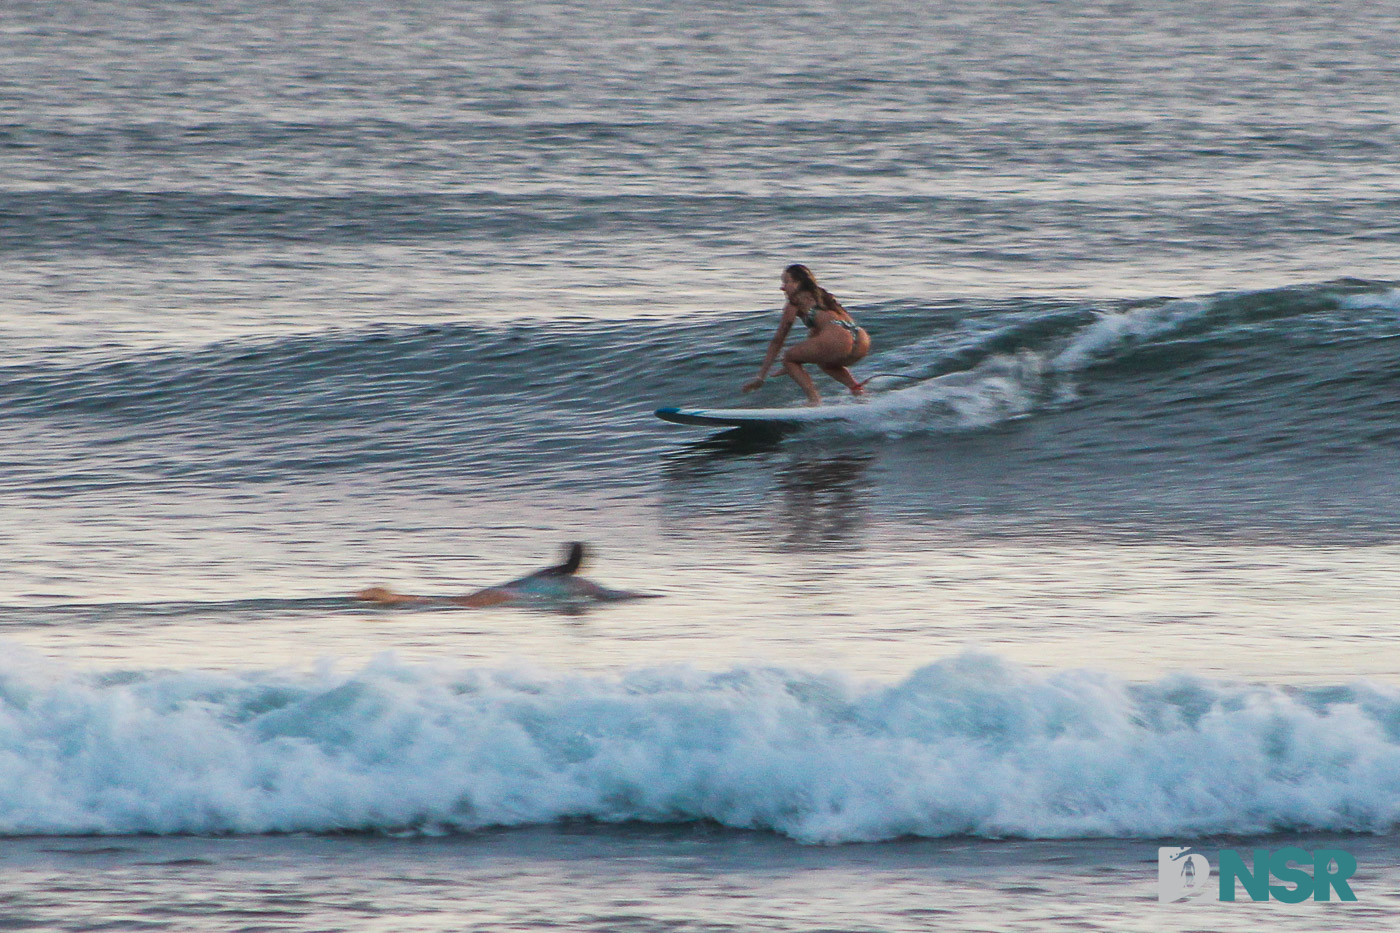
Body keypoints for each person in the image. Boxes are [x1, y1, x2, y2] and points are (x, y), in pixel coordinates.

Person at [742, 264, 870, 405]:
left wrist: (761, 376)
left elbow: (778, 340)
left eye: (786, 282)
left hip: (838, 338)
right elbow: (818, 337)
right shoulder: (823, 296)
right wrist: (794, 365)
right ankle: (858, 391)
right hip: (860, 338)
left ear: (799, 283)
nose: (782, 288)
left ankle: (814, 400)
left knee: (788, 357)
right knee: (825, 362)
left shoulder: (795, 301)